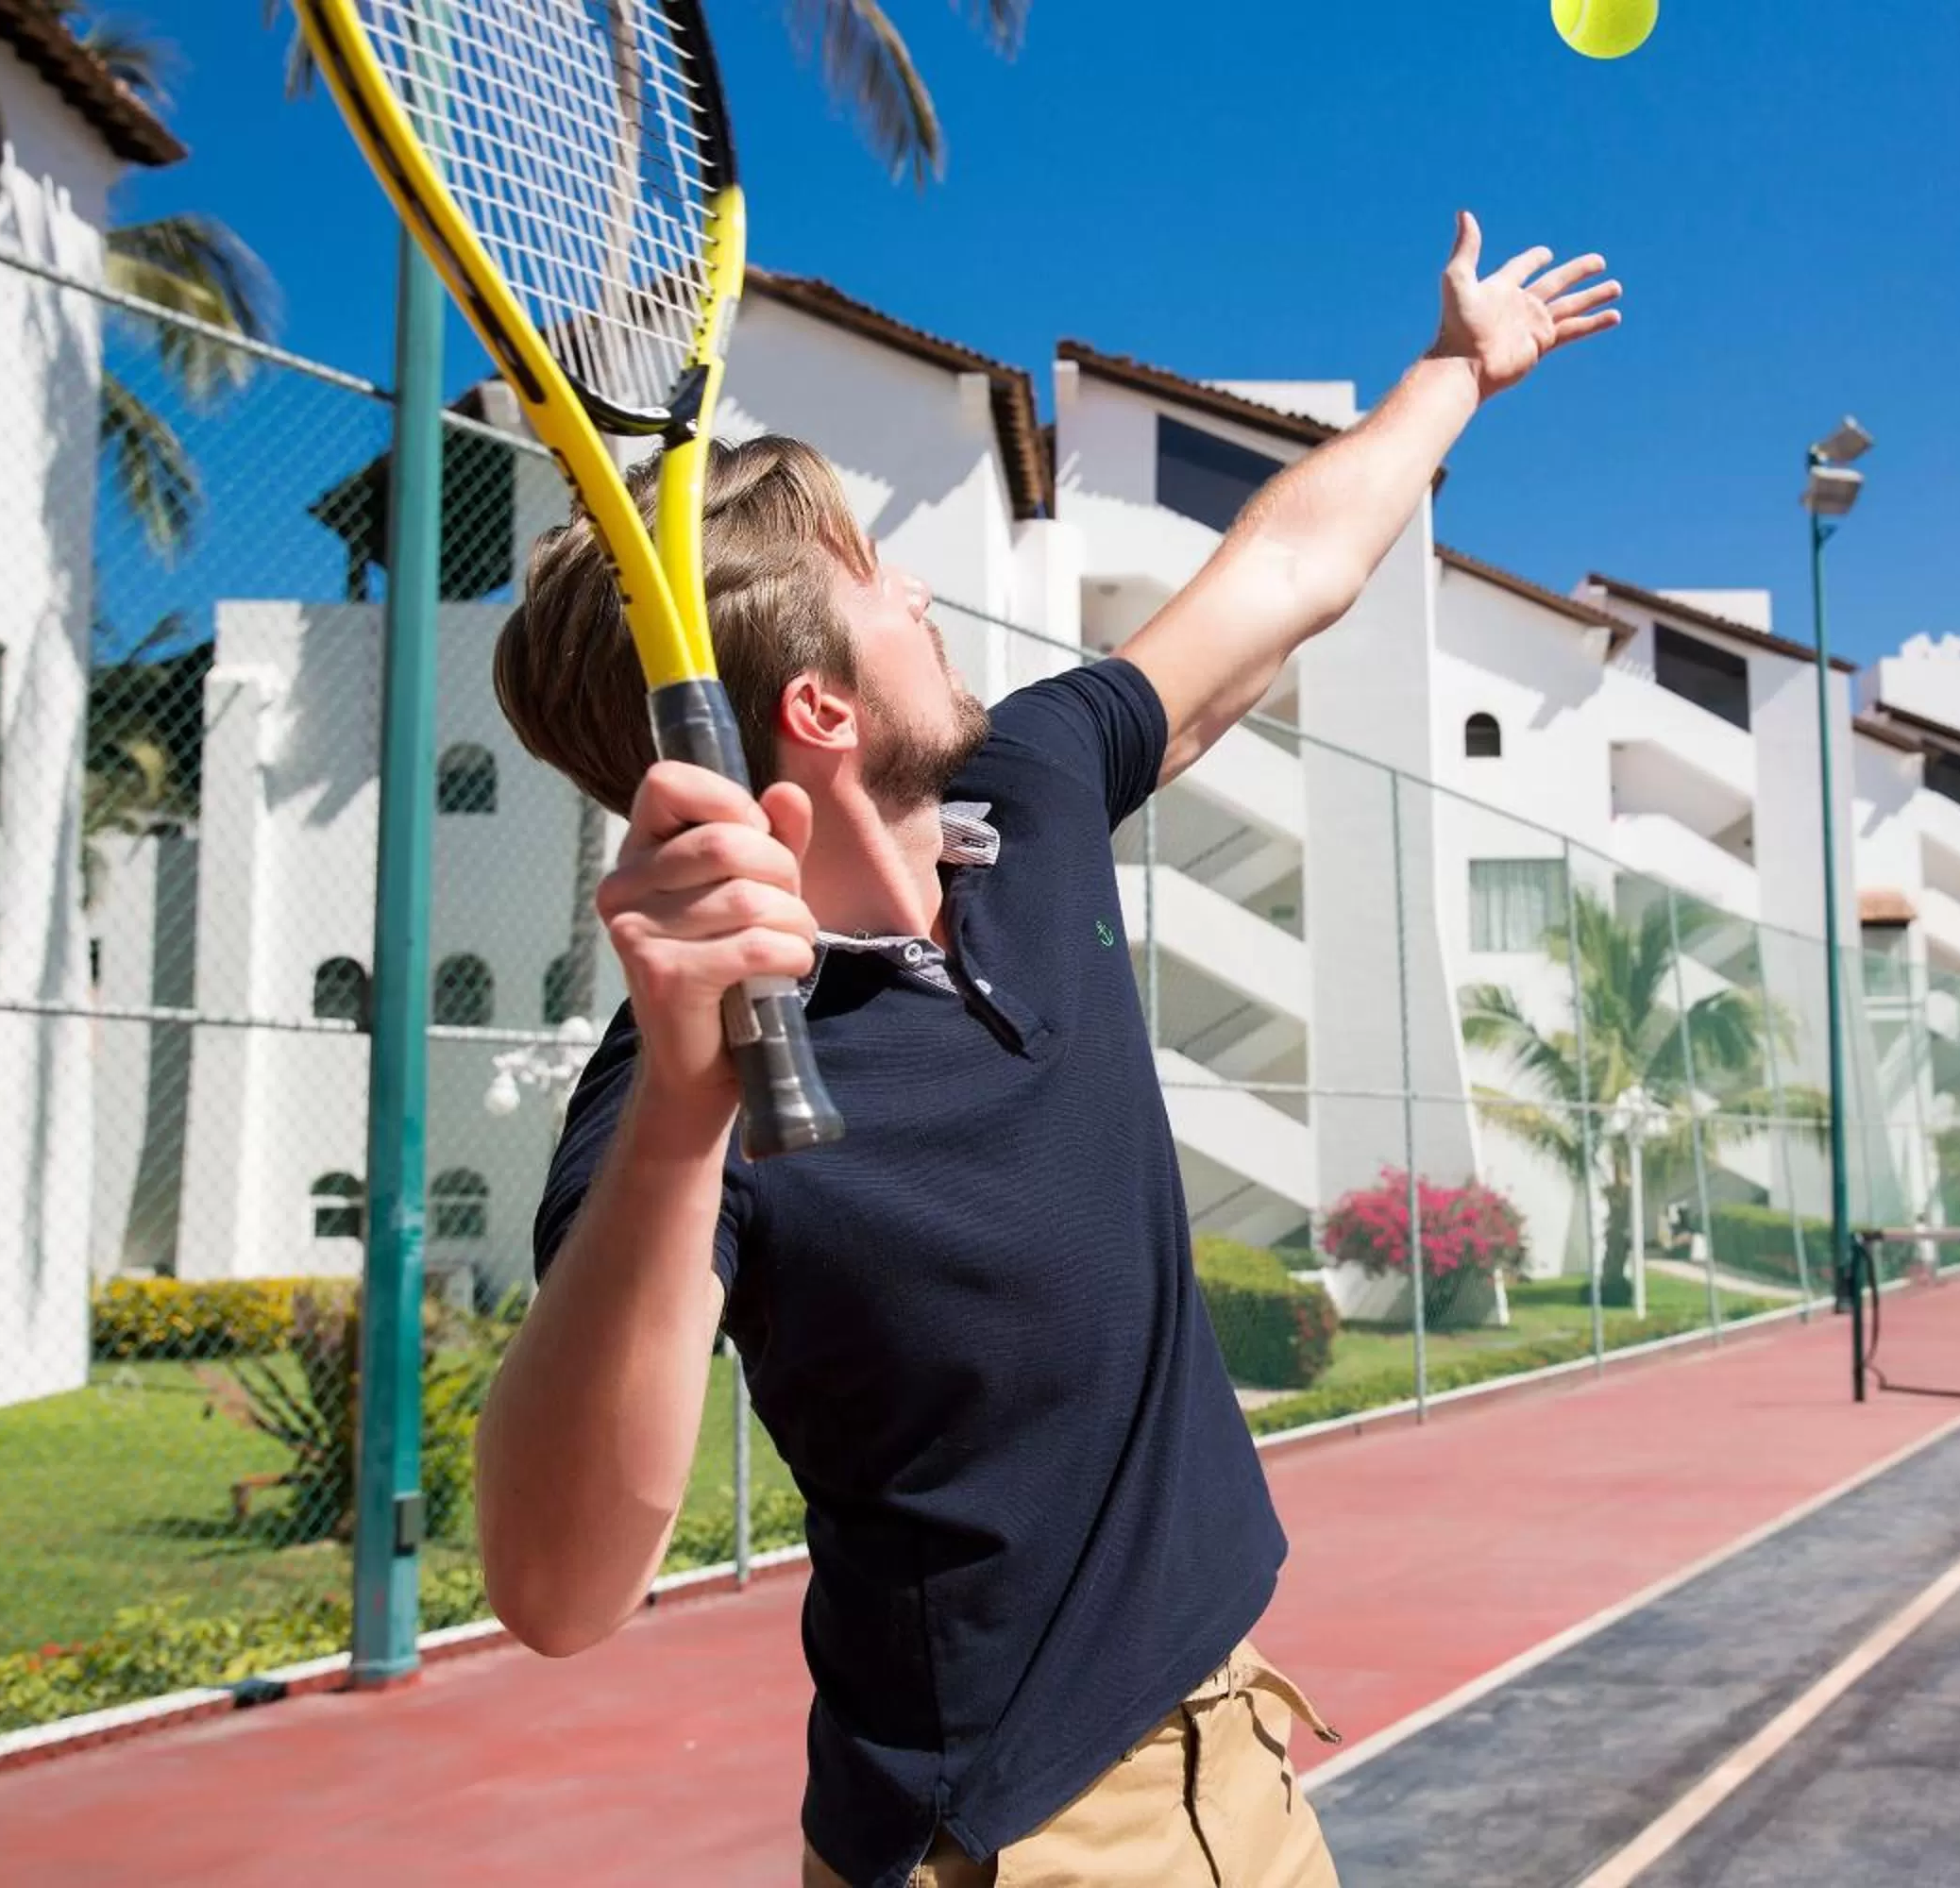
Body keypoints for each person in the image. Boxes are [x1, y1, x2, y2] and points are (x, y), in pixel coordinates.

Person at [470, 214, 1621, 1888]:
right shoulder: (679, 1098)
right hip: (1014, 1845)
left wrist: (1452, 374)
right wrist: (676, 1119)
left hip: (1242, 1756)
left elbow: (1286, 577)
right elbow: (557, 1593)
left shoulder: (1028, 791)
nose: (922, 591)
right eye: (881, 577)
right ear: (821, 715)